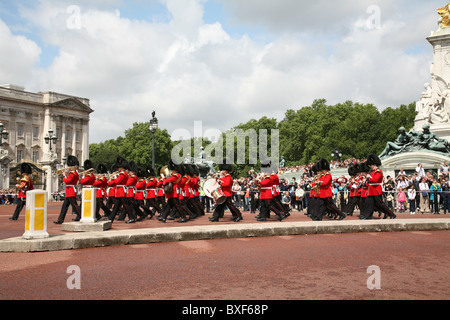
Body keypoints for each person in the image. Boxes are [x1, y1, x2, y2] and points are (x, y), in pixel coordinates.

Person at [364, 154, 396, 220]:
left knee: (380, 204)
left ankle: (391, 214)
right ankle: (368, 216)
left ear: (374, 164)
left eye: (371, 165)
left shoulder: (378, 171)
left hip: (376, 190)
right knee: (370, 204)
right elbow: (370, 182)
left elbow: (375, 180)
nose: (371, 167)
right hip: (371, 190)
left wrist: (369, 178)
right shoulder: (373, 172)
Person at [54, 155, 82, 224]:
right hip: (69, 191)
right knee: (64, 207)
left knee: (75, 206)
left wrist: (64, 175)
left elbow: (67, 181)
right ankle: (60, 219)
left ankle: (82, 216)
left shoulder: (72, 173)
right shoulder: (75, 172)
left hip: (71, 191)